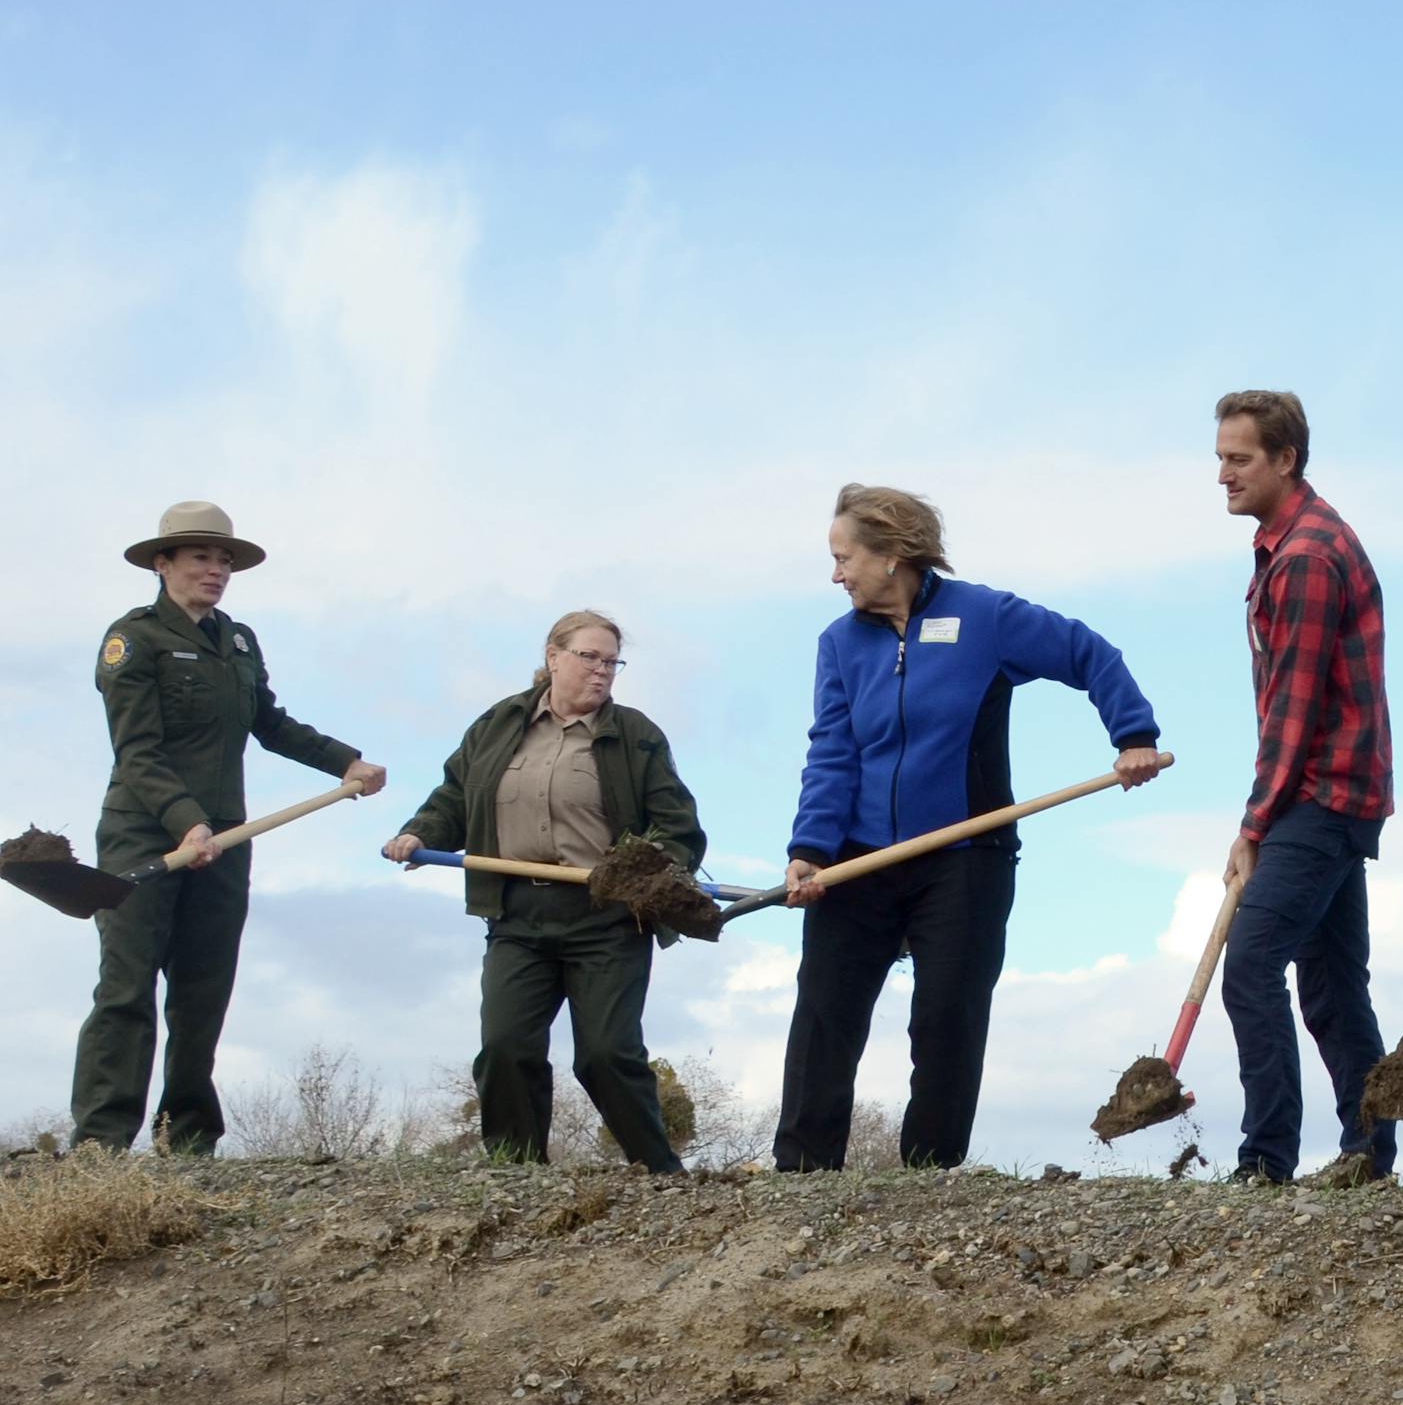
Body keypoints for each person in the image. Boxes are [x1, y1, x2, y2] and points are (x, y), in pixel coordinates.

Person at [776, 484, 1167, 1171]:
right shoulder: (837, 643)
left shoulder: (985, 617)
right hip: (858, 857)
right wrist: (810, 849)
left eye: (844, 558)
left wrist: (1131, 733)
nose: (835, 575)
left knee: (946, 1016)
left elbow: (1089, 653)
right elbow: (831, 751)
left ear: (894, 554)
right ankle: (803, 1170)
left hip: (966, 853)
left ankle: (930, 1172)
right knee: (824, 1012)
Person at [68, 501, 385, 1153]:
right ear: (163, 565)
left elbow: (269, 723)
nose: (215, 570)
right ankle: (99, 1144)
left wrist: (344, 760)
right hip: (143, 834)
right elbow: (138, 753)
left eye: (223, 560)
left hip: (227, 838)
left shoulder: (238, 641)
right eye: (199, 558)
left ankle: (187, 1140)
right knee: (127, 987)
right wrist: (187, 825)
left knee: (203, 990)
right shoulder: (134, 640)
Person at [384, 611, 706, 1171]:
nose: (602, 672)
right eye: (589, 657)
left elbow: (677, 826)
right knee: (507, 1047)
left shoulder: (635, 735)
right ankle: (516, 1173)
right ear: (553, 656)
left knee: (607, 1054)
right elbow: (456, 795)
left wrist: (642, 870)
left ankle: (659, 1173)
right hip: (517, 915)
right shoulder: (497, 724)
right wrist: (420, 833)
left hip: (607, 916)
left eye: (612, 662)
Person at [1211, 390, 1397, 1189]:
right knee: (1329, 989)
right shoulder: (1289, 544)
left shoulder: (1308, 557)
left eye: (1239, 459)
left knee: (1251, 967)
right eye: (1219, 458)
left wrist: (1254, 824)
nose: (1223, 475)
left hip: (1319, 797)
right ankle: (1369, 1154)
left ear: (1285, 460)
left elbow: (1295, 707)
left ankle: (1264, 1158)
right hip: (1331, 797)